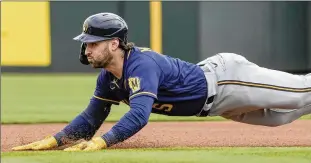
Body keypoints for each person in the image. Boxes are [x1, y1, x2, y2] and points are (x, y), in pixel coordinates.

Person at [12, 12, 311, 151]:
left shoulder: (141, 64)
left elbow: (140, 115)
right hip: (218, 106)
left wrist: (103, 142)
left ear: (114, 44)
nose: (87, 48)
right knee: (283, 117)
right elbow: (92, 117)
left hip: (228, 80)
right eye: (87, 43)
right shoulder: (108, 78)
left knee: (301, 93)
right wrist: (55, 140)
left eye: (93, 43)